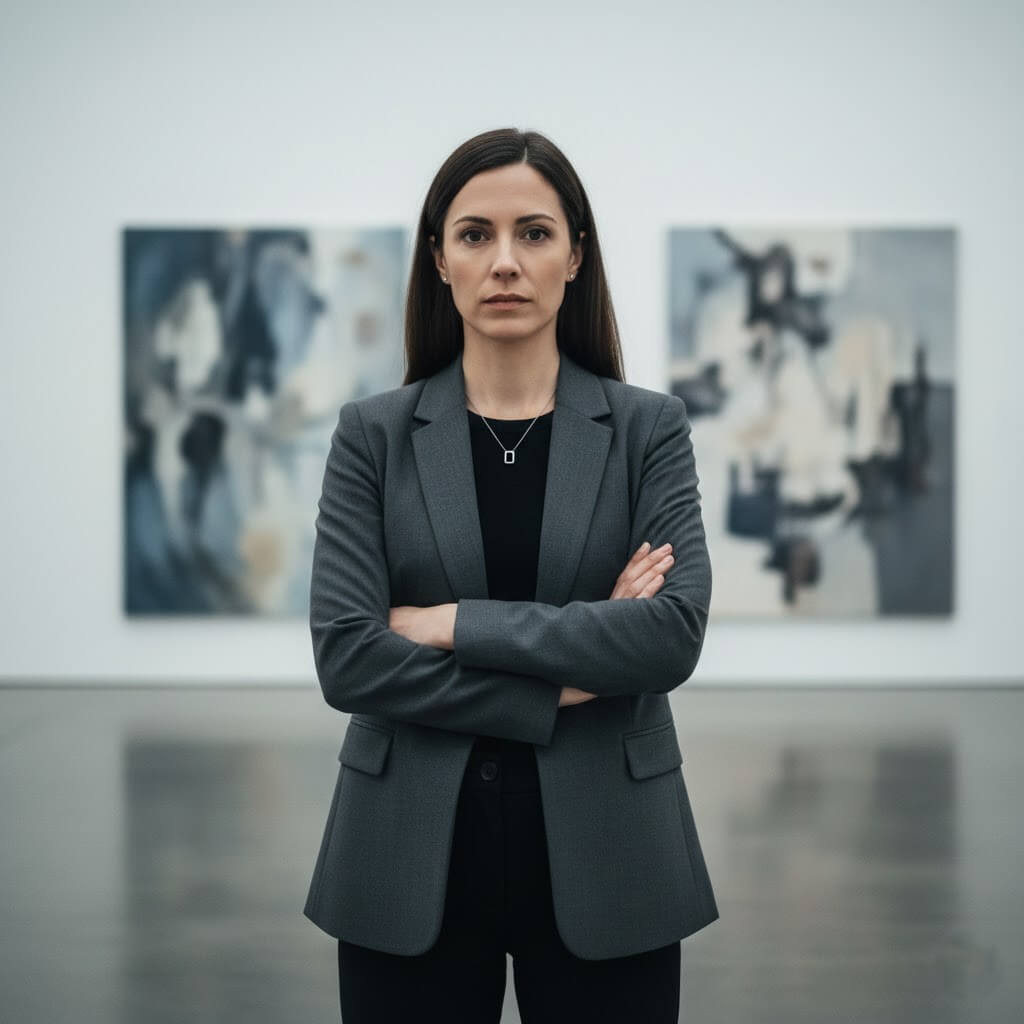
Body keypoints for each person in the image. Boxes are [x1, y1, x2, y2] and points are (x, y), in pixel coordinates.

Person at [303, 127, 718, 1023]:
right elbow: (349, 659)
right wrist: (565, 679)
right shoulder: (371, 436)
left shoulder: (649, 430)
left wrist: (451, 621)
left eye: (533, 233)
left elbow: (669, 635)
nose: (504, 262)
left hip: (613, 849)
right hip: (406, 852)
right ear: (439, 258)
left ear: (575, 255)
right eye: (474, 234)